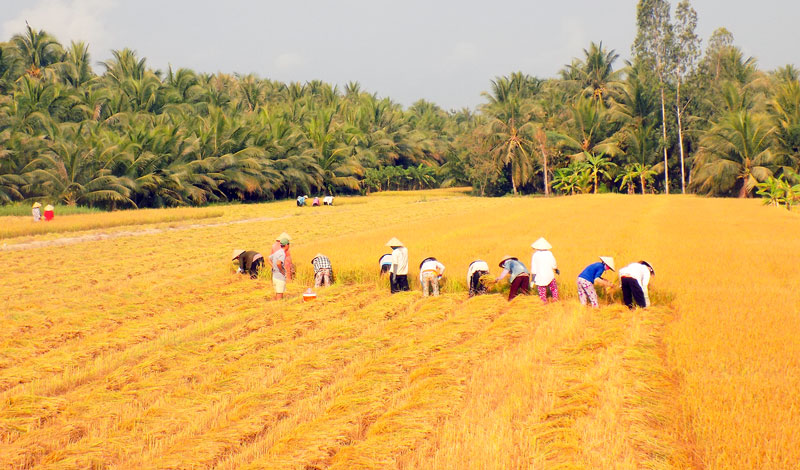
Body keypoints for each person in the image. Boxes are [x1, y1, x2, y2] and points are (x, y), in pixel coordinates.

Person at [530, 237, 559, 303]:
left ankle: (544, 303)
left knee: (542, 291)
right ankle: (555, 300)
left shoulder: (535, 255)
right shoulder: (549, 253)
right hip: (549, 275)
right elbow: (553, 264)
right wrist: (556, 269)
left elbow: (534, 268)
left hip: (540, 276)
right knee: (554, 289)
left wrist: (532, 280)